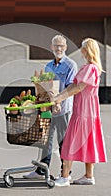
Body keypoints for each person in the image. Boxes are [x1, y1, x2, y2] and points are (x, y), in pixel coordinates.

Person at [53, 38, 107, 187]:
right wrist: (59, 97)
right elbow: (73, 86)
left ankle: (64, 177)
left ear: (86, 50)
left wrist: (59, 98)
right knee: (89, 142)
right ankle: (89, 176)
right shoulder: (91, 68)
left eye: (83, 48)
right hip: (89, 112)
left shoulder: (90, 68)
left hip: (83, 112)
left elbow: (78, 88)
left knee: (70, 143)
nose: (81, 50)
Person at [23, 35, 78, 179]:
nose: (58, 48)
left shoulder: (71, 65)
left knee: (63, 142)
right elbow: (46, 87)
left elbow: (70, 87)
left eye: (61, 46)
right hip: (48, 109)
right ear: (51, 47)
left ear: (65, 47)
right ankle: (41, 171)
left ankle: (65, 173)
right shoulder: (48, 66)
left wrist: (58, 101)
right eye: (56, 46)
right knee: (45, 139)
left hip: (63, 109)